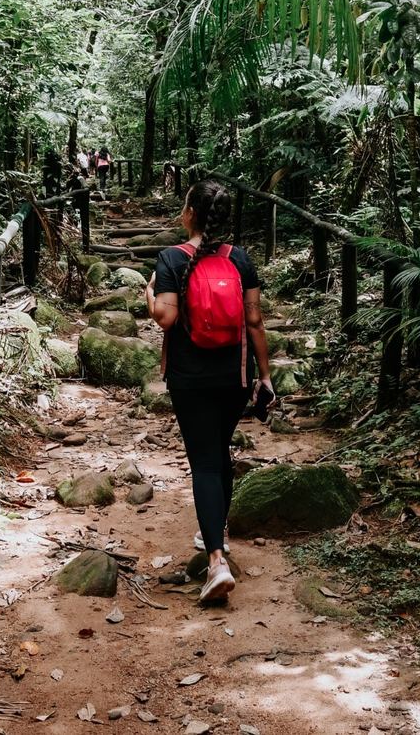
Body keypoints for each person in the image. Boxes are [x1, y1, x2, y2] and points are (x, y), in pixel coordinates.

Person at [145, 180, 272, 604]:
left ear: (190, 214)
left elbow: (164, 318)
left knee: (204, 463)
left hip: (191, 377)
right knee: (219, 455)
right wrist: (265, 377)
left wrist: (149, 293)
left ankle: (216, 561)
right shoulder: (240, 259)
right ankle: (218, 532)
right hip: (235, 375)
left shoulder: (170, 259)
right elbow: (254, 322)